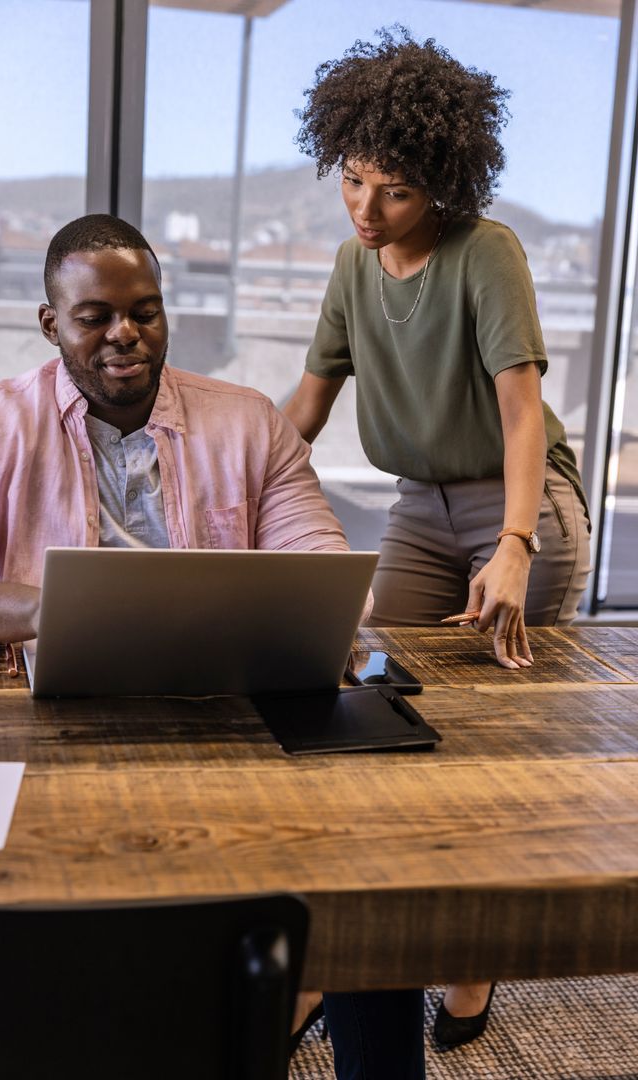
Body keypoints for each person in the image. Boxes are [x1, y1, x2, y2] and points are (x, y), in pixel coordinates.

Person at [282, 25, 591, 1071]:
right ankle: (350, 956)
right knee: (381, 714)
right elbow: (304, 414)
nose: (367, 209)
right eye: (353, 180)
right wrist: (223, 484)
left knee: (492, 745)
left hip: (518, 501)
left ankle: (472, 958)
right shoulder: (351, 265)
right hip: (421, 504)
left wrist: (515, 544)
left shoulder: (485, 251)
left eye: (396, 191)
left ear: (444, 184)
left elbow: (521, 411)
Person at [0, 213, 352, 644]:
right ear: (51, 325)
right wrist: (53, 612)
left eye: (145, 313)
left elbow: (330, 575)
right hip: (42, 670)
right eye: (94, 318)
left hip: (214, 674)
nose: (125, 333)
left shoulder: (252, 424)